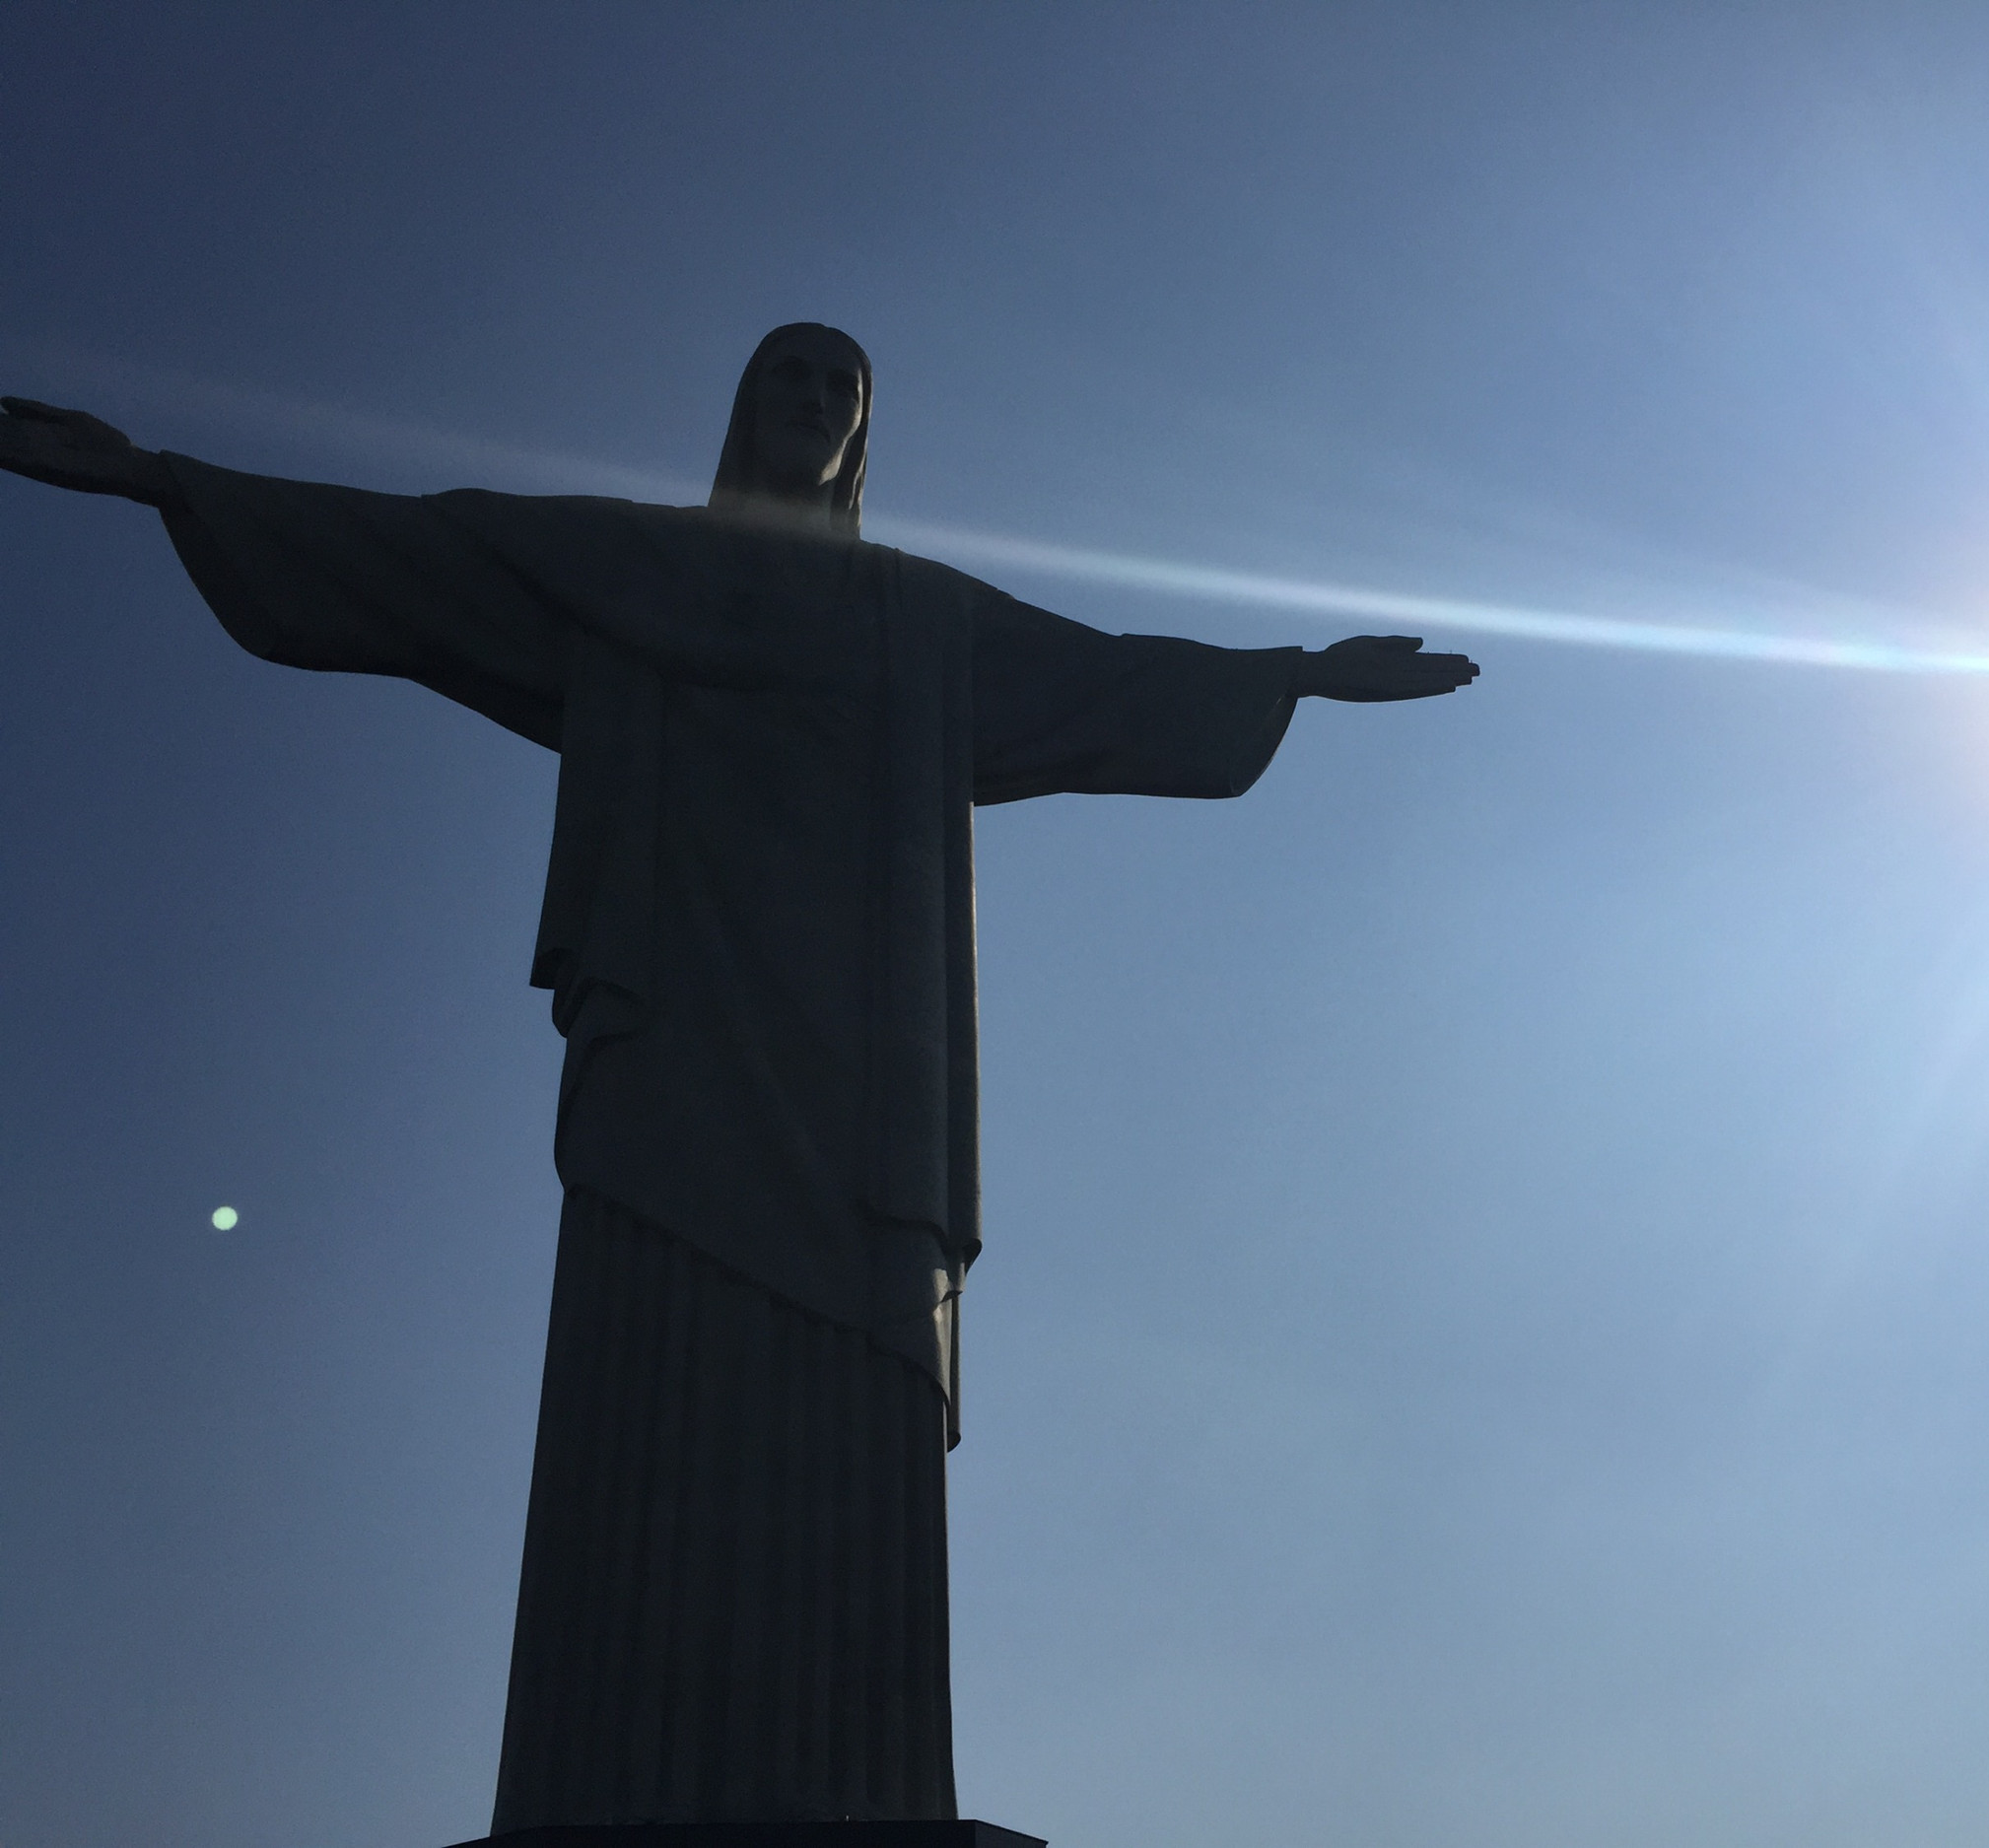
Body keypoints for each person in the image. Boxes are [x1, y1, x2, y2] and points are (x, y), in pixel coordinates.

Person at [0, 323, 1477, 1829]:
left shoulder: (921, 617)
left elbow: (1090, 676)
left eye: (837, 393)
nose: (808, 407)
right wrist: (149, 480)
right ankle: (603, 1773)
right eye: (786, 380)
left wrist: (1290, 674)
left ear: (860, 440)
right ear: (740, 410)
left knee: (856, 1358)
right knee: (647, 1342)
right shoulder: (623, 564)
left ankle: (864, 1783)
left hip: (862, 1077)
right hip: (679, 1037)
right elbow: (411, 550)